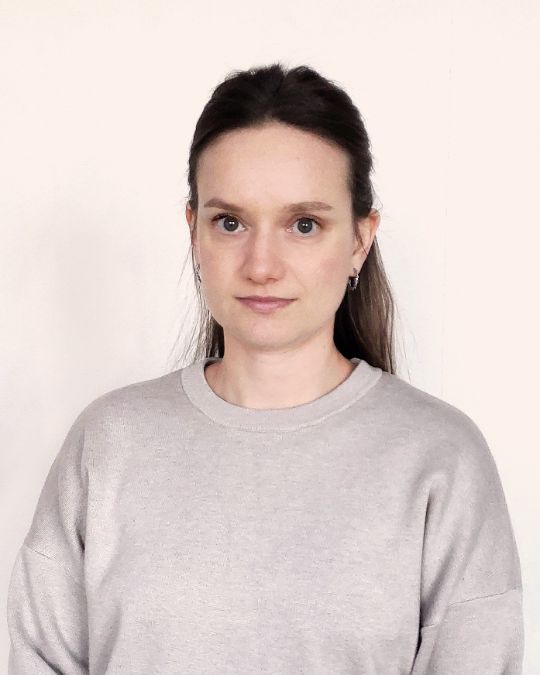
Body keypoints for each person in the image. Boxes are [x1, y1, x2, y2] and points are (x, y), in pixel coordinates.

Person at [7, 63, 524, 674]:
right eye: (230, 223)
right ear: (194, 232)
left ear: (360, 240)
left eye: (304, 225)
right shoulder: (108, 444)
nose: (261, 265)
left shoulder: (441, 458)